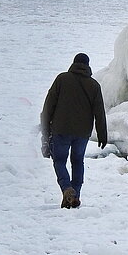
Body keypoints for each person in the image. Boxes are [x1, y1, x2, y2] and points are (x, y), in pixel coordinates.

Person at [40, 52, 108, 209]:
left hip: (61, 129)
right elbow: (99, 112)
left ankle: (66, 189)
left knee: (59, 161)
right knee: (78, 162)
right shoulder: (94, 85)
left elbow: (49, 105)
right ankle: (75, 194)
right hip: (82, 132)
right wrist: (102, 134)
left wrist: (45, 127)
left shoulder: (62, 79)